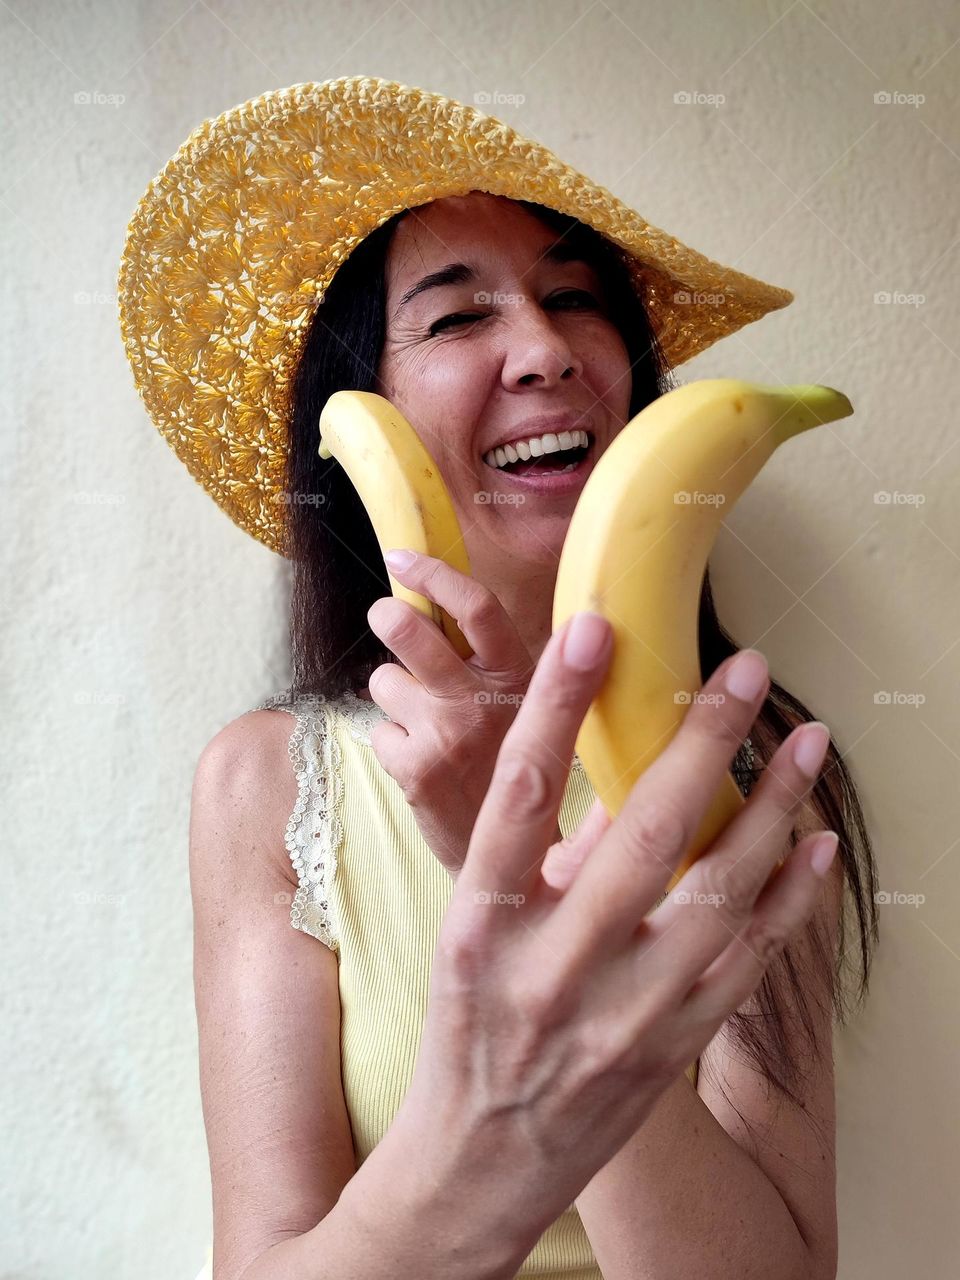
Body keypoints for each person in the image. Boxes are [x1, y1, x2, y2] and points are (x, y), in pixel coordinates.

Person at [118, 77, 878, 1280]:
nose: (546, 349)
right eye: (458, 317)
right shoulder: (271, 786)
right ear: (365, 415)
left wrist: (526, 894)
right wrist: (508, 906)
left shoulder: (750, 770)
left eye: (575, 299)